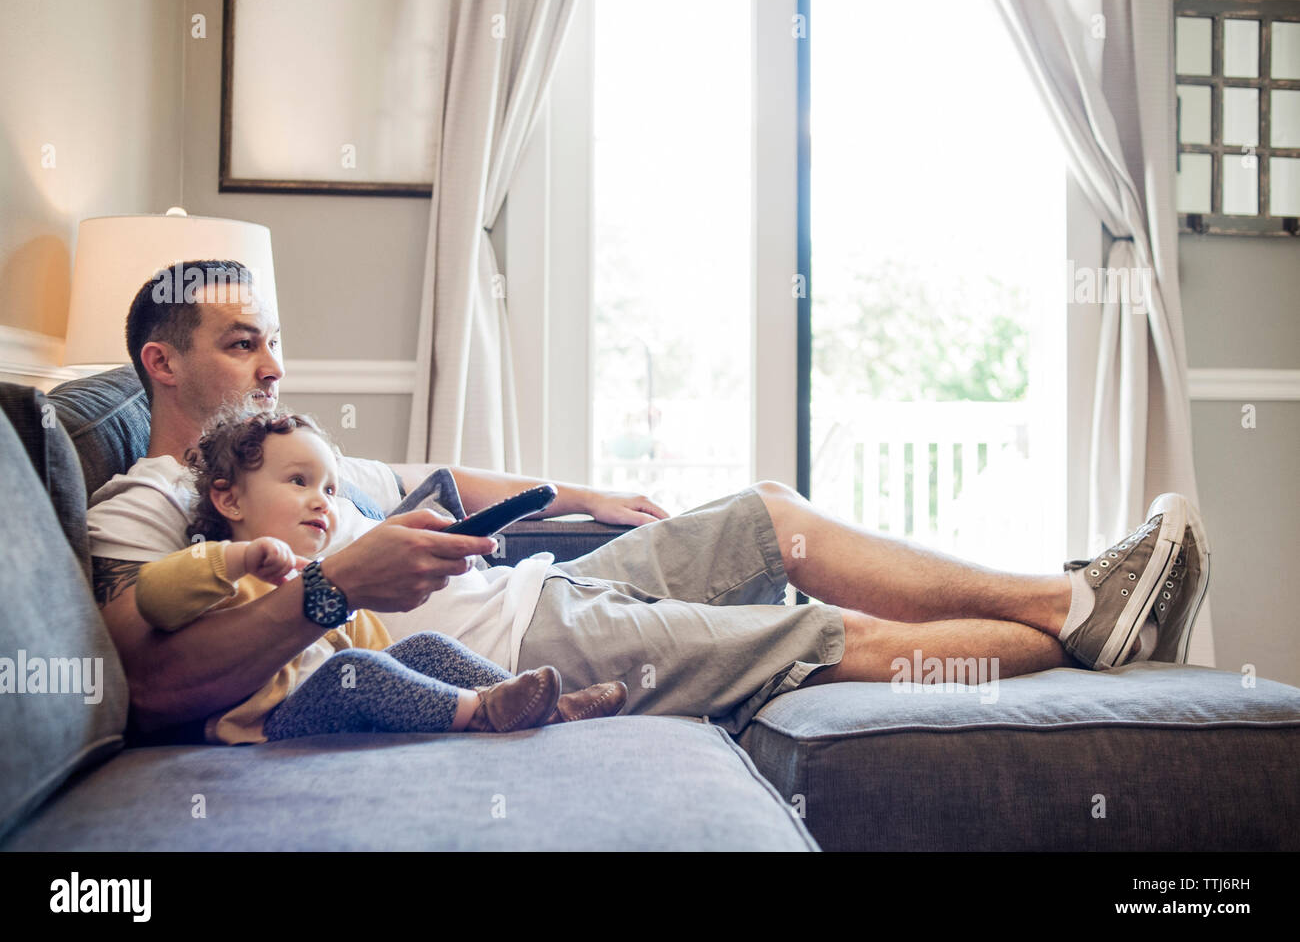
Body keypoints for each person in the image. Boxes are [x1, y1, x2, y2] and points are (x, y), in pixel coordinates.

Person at [89, 260, 1210, 740]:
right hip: (536, 639)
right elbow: (149, 685)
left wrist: (587, 492)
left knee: (769, 513)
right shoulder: (147, 498)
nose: (275, 367)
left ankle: (1069, 598)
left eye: (275, 342)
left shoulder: (302, 455)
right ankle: (1074, 636)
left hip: (539, 580)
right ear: (162, 363)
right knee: (816, 633)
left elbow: (436, 481)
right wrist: (334, 587)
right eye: (244, 345)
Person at [130, 405, 627, 744]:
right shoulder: (216, 564)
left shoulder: (317, 573)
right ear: (229, 498)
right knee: (358, 675)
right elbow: (154, 596)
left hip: (330, 706)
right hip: (264, 725)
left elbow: (374, 646)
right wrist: (237, 560)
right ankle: (482, 713)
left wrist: (353, 618)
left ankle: (531, 703)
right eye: (298, 482)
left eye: (328, 490)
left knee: (424, 648)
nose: (319, 502)